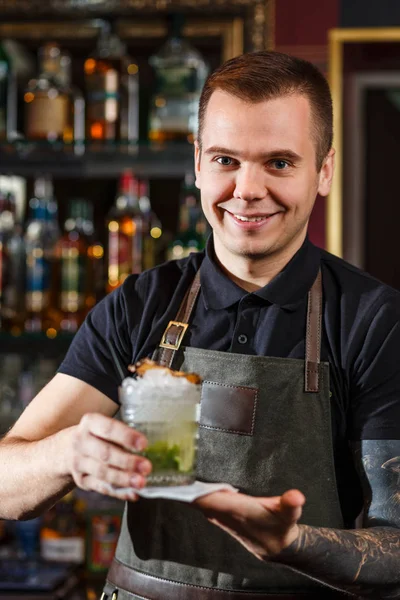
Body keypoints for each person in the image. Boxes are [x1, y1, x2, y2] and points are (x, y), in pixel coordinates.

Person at [1, 51, 399, 599]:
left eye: (279, 163)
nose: (247, 189)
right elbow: (5, 487)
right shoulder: (137, 305)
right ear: (197, 162)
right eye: (226, 160)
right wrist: (69, 451)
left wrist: (293, 542)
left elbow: (397, 546)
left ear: (324, 170)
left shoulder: (374, 321)